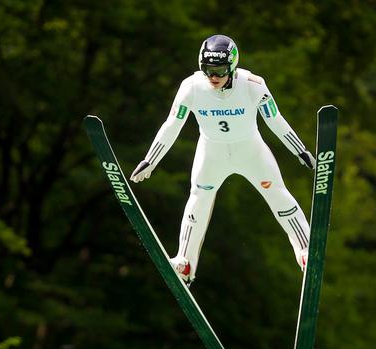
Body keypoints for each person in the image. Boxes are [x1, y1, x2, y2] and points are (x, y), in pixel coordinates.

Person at [130, 34, 315, 285]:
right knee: (198, 198)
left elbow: (275, 120)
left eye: (219, 70)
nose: (213, 77)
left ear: (232, 66)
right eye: (207, 70)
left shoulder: (253, 85)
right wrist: (150, 160)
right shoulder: (191, 88)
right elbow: (172, 125)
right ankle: (185, 263)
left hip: (251, 152)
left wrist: (300, 150)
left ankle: (305, 251)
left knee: (277, 193)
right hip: (211, 154)